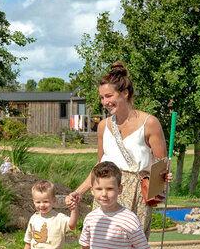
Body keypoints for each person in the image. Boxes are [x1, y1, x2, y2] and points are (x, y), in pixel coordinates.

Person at [67, 62, 169, 230]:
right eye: (102, 97)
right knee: (103, 246)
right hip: (105, 191)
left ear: (125, 93)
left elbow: (161, 165)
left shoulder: (149, 123)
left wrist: (161, 184)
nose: (105, 102)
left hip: (136, 195)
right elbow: (98, 167)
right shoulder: (102, 126)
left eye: (109, 96)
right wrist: (79, 192)